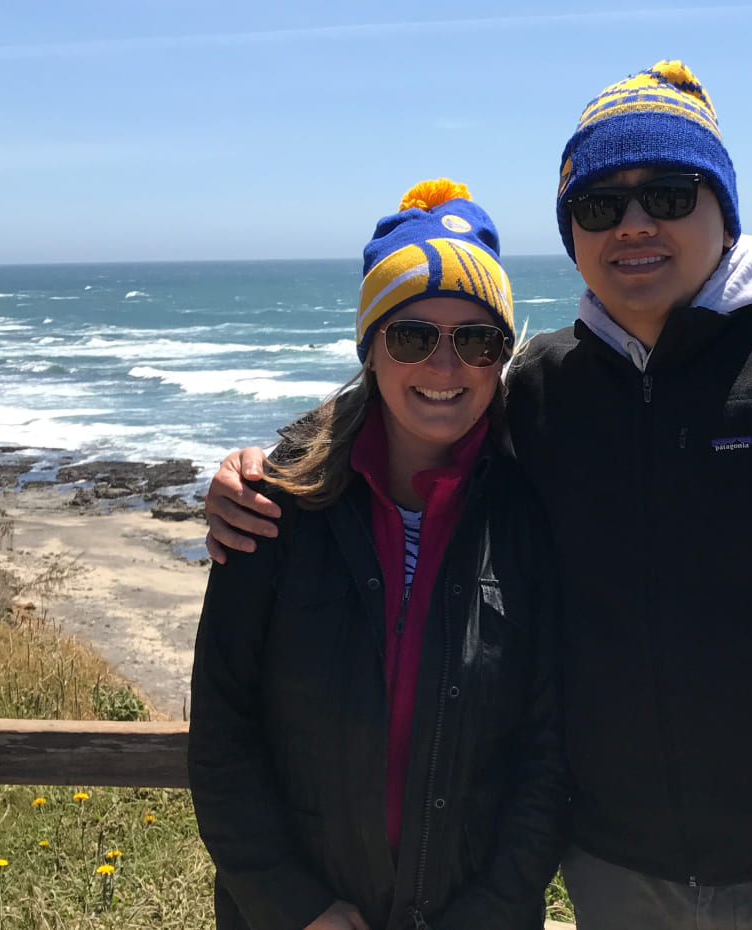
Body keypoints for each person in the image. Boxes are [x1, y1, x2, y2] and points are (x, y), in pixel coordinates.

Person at [205, 62, 752, 930]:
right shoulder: (539, 391)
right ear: (572, 232)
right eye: (600, 205)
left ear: (725, 208)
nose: (635, 224)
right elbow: (409, 410)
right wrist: (257, 474)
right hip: (614, 871)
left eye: (671, 193)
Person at [188, 180, 567, 930]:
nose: (445, 366)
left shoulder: (530, 516)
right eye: (413, 336)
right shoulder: (275, 506)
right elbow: (222, 736)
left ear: (501, 359)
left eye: (477, 339)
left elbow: (547, 757)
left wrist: (488, 914)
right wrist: (298, 908)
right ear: (371, 346)